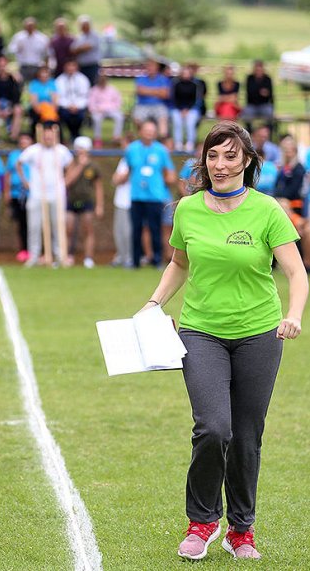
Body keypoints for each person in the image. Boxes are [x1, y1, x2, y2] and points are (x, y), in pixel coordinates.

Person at [139, 121, 307, 561]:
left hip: (259, 334)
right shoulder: (189, 209)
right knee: (213, 428)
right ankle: (201, 522)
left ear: (247, 161)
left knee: (247, 436)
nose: (220, 164)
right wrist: (154, 303)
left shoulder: (268, 209)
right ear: (204, 161)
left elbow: (296, 272)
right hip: (201, 331)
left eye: (231, 156)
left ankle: (241, 531)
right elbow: (179, 263)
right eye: (213, 155)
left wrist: (293, 315)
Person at [114, 120, 175, 268]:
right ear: (140, 131)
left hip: (155, 196)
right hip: (136, 196)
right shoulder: (131, 149)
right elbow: (127, 169)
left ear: (155, 133)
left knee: (155, 229)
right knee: (136, 229)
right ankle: (135, 262)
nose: (149, 133)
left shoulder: (161, 151)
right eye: (146, 130)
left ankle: (157, 260)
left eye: (151, 130)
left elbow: (170, 173)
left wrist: (164, 182)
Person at [17, 122, 73, 267]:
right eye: (46, 137)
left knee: (58, 225)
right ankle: (33, 256)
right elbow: (19, 163)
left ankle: (60, 256)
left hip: (57, 194)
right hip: (37, 194)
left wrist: (66, 181)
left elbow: (71, 166)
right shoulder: (33, 150)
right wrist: (25, 181)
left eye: (51, 136)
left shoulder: (61, 151)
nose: (48, 139)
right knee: (34, 226)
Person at [65, 136, 103, 268]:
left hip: (87, 201)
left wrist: (99, 205)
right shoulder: (71, 164)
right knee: (68, 229)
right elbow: (67, 182)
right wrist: (80, 166)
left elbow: (98, 187)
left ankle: (88, 258)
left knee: (88, 230)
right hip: (71, 201)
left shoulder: (93, 166)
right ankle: (68, 256)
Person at [5, 134, 32, 263]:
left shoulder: (35, 153)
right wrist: (7, 192)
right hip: (18, 194)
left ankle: (36, 250)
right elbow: (8, 174)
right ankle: (24, 249)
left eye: (26, 141)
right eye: (21, 141)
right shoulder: (14, 155)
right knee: (22, 223)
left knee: (34, 223)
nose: (24, 143)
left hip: (33, 194)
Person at [0, 55, 23, 140]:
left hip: (11, 105)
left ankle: (13, 137)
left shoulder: (13, 79)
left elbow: (16, 96)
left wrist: (9, 109)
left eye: (3, 65)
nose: (2, 68)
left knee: (18, 110)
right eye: (0, 66)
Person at [133, 59, 171, 137]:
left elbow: (165, 94)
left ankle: (161, 140)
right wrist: (157, 91)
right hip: (143, 105)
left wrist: (146, 90)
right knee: (137, 119)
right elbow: (139, 91)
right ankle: (143, 138)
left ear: (157, 68)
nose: (150, 68)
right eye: (148, 66)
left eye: (152, 66)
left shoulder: (163, 79)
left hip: (158, 105)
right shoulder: (141, 78)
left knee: (163, 119)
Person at [55, 59, 90, 142]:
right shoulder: (59, 80)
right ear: (65, 67)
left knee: (80, 116)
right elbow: (59, 96)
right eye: (69, 66)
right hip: (65, 106)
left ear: (76, 67)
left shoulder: (83, 79)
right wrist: (68, 106)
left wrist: (77, 106)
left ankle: (75, 134)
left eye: (73, 66)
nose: (70, 68)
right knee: (65, 115)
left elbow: (85, 95)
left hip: (79, 106)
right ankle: (73, 134)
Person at [7, 17, 50, 83]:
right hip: (23, 67)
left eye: (31, 26)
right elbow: (10, 51)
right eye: (28, 26)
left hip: (37, 67)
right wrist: (18, 48)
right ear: (24, 26)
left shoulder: (42, 38)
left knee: (36, 87)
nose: (30, 28)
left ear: (35, 26)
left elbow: (47, 54)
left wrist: (46, 69)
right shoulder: (18, 37)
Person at [274, 135, 305, 222]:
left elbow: (294, 190)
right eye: (285, 150)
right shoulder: (283, 168)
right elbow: (276, 184)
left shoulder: (299, 168)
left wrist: (280, 197)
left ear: (295, 151)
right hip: (281, 200)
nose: (287, 152)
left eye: (289, 149)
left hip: (294, 203)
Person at [170, 65, 201, 152]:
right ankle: (178, 143)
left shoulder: (195, 84)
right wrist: (181, 109)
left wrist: (187, 110)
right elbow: (174, 98)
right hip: (177, 108)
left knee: (190, 122)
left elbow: (197, 99)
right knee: (177, 121)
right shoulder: (176, 84)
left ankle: (190, 143)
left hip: (192, 109)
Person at [88, 74, 124, 145]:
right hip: (98, 111)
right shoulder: (94, 90)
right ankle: (97, 138)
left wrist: (110, 108)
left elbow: (118, 101)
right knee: (96, 119)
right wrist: (96, 109)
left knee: (119, 117)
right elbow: (91, 104)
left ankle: (116, 137)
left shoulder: (113, 89)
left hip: (111, 110)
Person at [111, 145, 132, 267]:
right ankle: (121, 255)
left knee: (128, 232)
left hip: (132, 201)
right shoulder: (124, 161)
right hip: (121, 201)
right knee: (119, 231)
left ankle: (129, 257)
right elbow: (116, 180)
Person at [27, 65, 59, 133]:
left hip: (50, 108)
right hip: (38, 107)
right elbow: (33, 100)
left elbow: (55, 98)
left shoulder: (52, 83)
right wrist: (39, 109)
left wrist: (53, 108)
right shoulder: (34, 84)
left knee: (53, 115)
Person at [241, 60, 274, 125]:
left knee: (269, 113)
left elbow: (270, 94)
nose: (258, 72)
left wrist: (258, 92)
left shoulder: (267, 79)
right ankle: (249, 132)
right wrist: (260, 92)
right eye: (257, 70)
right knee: (246, 114)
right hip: (252, 105)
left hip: (264, 105)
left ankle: (268, 132)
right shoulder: (250, 78)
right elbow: (249, 93)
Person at [70, 15, 101, 86]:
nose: (84, 27)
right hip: (81, 66)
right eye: (82, 25)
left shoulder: (95, 35)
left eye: (85, 25)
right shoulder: (79, 36)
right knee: (82, 85)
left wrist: (79, 49)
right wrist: (81, 48)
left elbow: (87, 47)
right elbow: (73, 50)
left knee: (92, 84)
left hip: (92, 65)